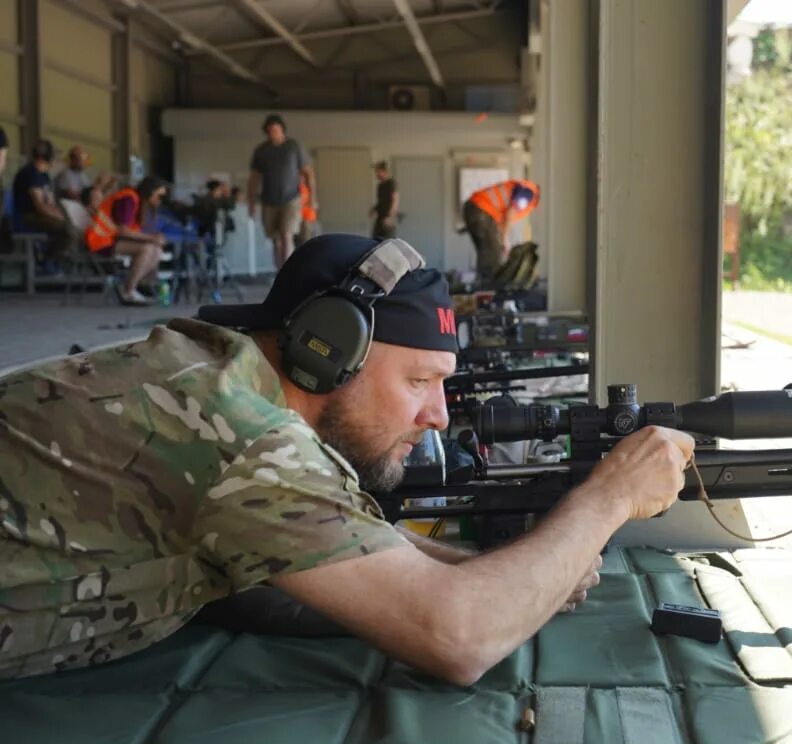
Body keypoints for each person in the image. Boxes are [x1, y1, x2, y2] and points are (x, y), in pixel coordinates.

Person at [0, 233, 693, 685]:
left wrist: (512, 570)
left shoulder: (220, 380)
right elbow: (458, 635)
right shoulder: (242, 432)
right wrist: (610, 497)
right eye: (419, 381)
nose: (439, 415)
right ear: (326, 348)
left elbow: (319, 549)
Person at [84, 176, 168, 305]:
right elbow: (123, 231)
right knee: (148, 248)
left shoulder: (140, 202)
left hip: (113, 240)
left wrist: (153, 239)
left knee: (156, 249)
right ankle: (128, 290)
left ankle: (138, 286)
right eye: (159, 196)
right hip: (100, 241)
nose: (161, 201)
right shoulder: (128, 198)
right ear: (150, 191)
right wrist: (152, 238)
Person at [247, 113, 315, 269]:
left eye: (276, 130)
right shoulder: (261, 151)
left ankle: (288, 271)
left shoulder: (293, 147)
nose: (274, 133)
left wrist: (312, 198)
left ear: (282, 130)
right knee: (275, 239)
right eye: (270, 130)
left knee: (287, 234)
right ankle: (279, 271)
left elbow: (308, 172)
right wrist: (251, 202)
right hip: (269, 200)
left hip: (291, 198)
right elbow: (254, 178)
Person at [462, 179, 540, 279]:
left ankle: (483, 284)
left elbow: (502, 220)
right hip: (481, 211)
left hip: (474, 209)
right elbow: (510, 214)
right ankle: (489, 286)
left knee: (486, 252)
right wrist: (505, 240)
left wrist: (501, 237)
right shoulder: (529, 193)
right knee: (493, 253)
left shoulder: (526, 189)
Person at [11, 139, 71, 258]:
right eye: (54, 156)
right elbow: (40, 207)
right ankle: (45, 260)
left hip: (39, 216)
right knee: (66, 231)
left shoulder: (44, 175)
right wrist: (61, 218)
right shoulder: (31, 173)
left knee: (70, 227)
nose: (56, 160)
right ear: (46, 157)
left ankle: (49, 258)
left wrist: (63, 216)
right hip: (26, 217)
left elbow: (50, 203)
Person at [370, 161, 398, 240]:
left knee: (387, 243)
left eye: (378, 171)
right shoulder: (380, 186)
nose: (377, 174)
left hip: (388, 219)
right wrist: (374, 209)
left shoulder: (391, 183)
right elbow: (381, 201)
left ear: (384, 171)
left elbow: (395, 201)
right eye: (376, 172)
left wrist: (390, 217)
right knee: (375, 240)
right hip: (380, 218)